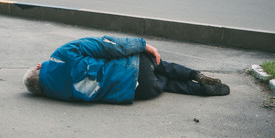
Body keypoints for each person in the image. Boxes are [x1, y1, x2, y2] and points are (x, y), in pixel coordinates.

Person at [23, 36, 229, 104]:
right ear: (39, 66)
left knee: (166, 84)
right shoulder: (61, 55)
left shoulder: (56, 94)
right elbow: (107, 44)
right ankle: (195, 75)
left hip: (140, 91)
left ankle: (201, 90)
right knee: (161, 66)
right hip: (138, 67)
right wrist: (143, 45)